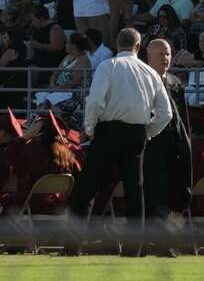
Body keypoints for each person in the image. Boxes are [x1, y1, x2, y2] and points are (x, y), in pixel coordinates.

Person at [69, 27, 174, 222]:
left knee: (88, 186)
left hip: (109, 130)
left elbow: (95, 102)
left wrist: (90, 129)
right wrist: (147, 131)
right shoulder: (150, 72)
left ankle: (73, 244)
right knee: (135, 190)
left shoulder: (108, 66)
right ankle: (134, 247)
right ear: (138, 46)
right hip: (137, 133)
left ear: (117, 44)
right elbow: (166, 113)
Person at [140, 37, 193, 224]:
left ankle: (166, 240)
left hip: (174, 147)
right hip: (152, 146)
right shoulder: (142, 81)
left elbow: (183, 117)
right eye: (160, 54)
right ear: (149, 57)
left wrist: (185, 141)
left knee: (174, 192)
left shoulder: (174, 82)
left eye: (168, 54)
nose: (165, 58)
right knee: (153, 192)